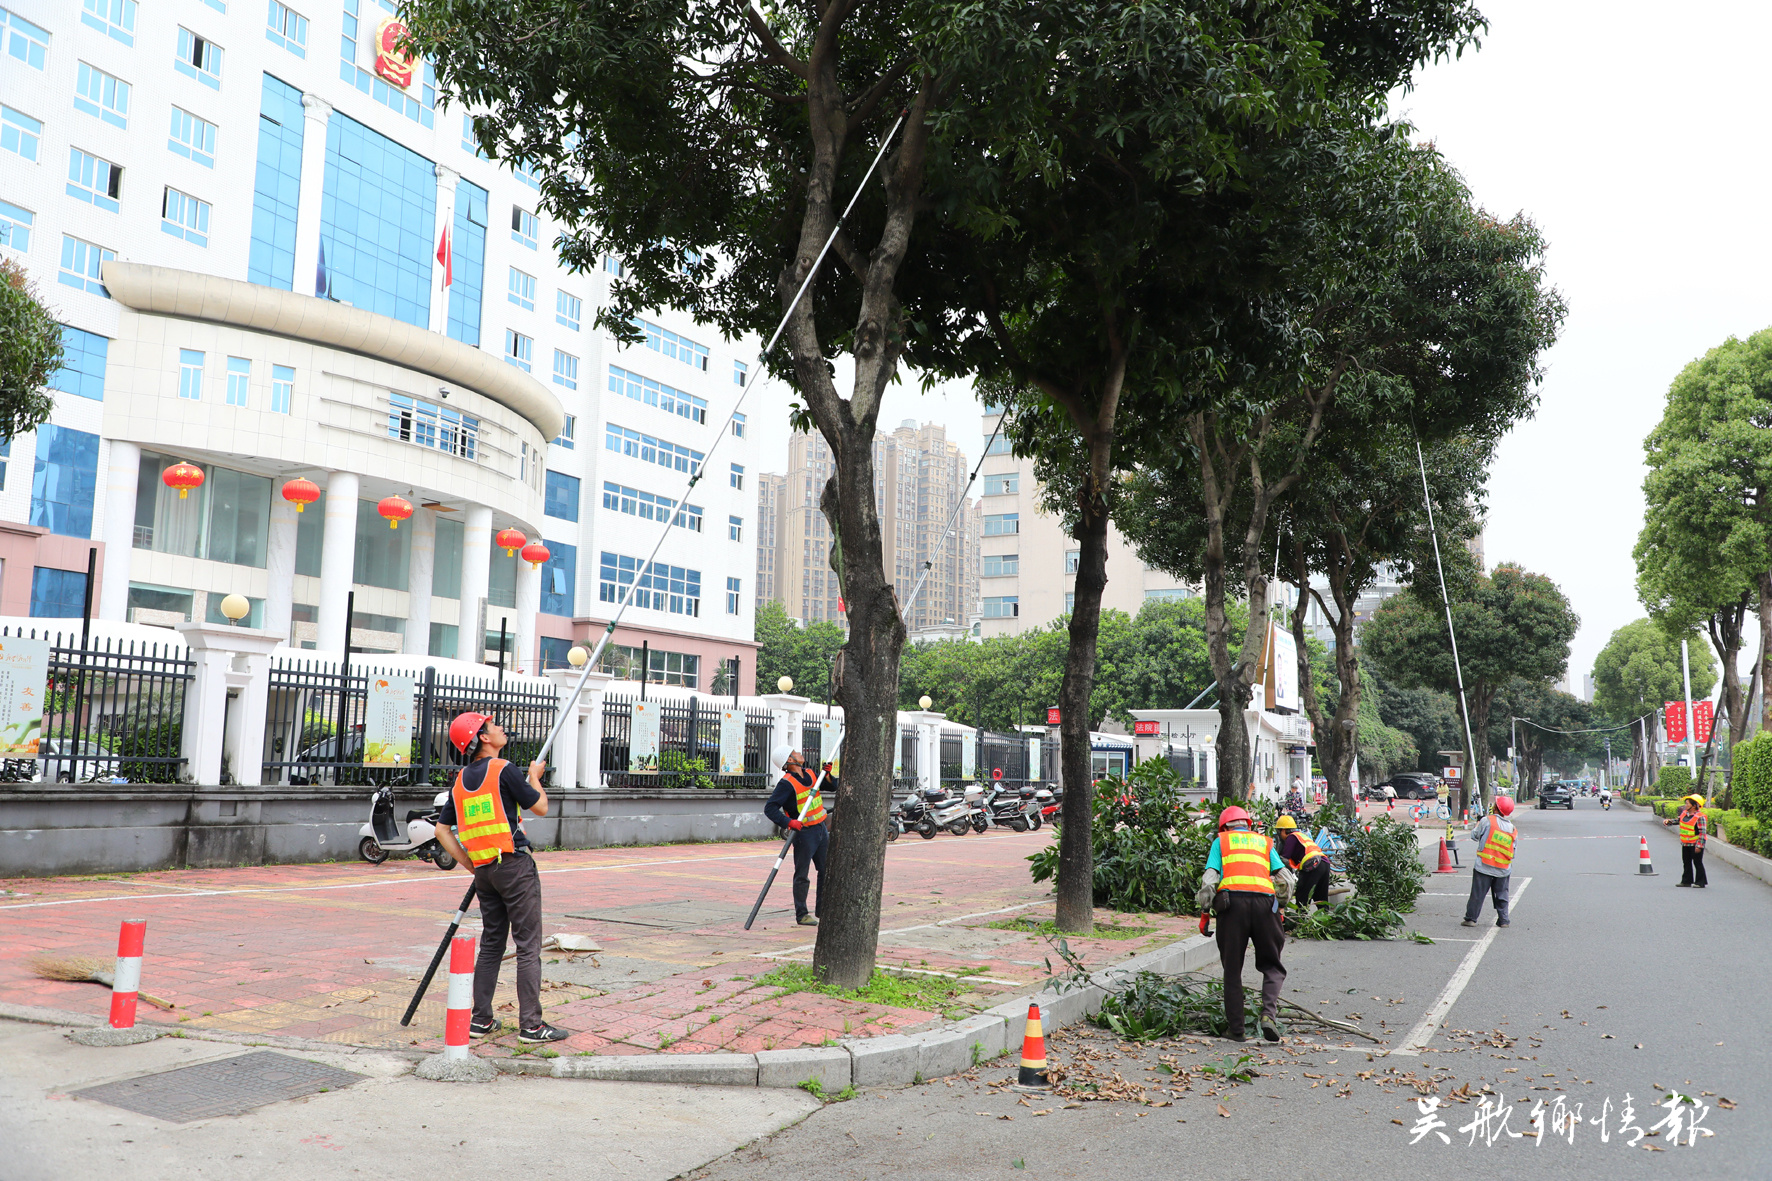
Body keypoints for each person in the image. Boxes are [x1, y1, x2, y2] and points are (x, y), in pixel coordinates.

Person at [433, 711, 568, 1044]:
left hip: (485, 874)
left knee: (492, 945)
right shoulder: (503, 769)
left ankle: (480, 1021)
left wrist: (472, 865)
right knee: (527, 946)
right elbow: (540, 807)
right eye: (494, 726)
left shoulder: (461, 780)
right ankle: (532, 1026)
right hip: (514, 867)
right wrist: (535, 776)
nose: (501, 728)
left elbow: (441, 829)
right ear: (483, 737)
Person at [1194, 805, 1295, 1043]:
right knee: (1272, 966)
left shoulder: (1221, 842)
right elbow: (1286, 880)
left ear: (1224, 826)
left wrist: (1204, 913)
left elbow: (1210, 880)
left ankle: (1237, 1029)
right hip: (1264, 905)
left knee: (1232, 970)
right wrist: (1279, 906)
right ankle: (1268, 1016)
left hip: (1232, 909)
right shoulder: (1264, 842)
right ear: (1248, 825)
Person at [764, 742, 830, 925]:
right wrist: (788, 822)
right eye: (795, 752)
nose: (800, 753)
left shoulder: (810, 773)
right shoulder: (786, 784)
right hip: (804, 835)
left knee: (826, 870)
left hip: (821, 830)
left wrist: (828, 774)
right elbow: (770, 809)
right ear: (790, 760)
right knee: (802, 874)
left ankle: (822, 909)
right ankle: (802, 914)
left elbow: (832, 787)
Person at [1462, 795, 1517, 928]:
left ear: (1496, 808)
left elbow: (1474, 836)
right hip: (1503, 868)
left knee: (1477, 894)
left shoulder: (1487, 821)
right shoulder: (1512, 828)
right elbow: (1513, 850)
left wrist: (1478, 823)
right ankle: (1503, 920)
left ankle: (1471, 919)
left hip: (1484, 866)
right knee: (1502, 895)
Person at [1275, 814, 1330, 911]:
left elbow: (1284, 859)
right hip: (1324, 863)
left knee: (1302, 897)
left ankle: (1301, 921)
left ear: (1283, 830)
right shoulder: (1301, 835)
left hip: (1313, 865)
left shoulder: (1291, 838)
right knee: (1320, 897)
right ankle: (1327, 921)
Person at [1666, 793, 1708, 888]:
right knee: (1686, 862)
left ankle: (1700, 882)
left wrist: (1699, 846)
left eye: (1688, 803)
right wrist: (1669, 822)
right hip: (1685, 843)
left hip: (1695, 844)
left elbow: (1702, 832)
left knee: (1697, 862)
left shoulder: (1700, 817)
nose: (1686, 805)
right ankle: (1686, 881)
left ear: (1694, 805)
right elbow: (1678, 820)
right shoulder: (1684, 813)